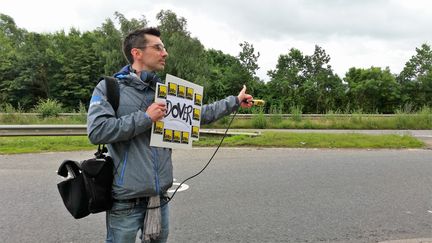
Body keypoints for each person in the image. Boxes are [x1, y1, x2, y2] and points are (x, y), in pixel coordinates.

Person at [87, 27, 253, 243]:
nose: (165, 53)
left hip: (159, 198)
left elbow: (199, 115)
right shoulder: (109, 88)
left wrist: (234, 101)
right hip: (126, 201)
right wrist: (146, 118)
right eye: (158, 47)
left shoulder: (165, 90)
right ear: (137, 53)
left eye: (164, 48)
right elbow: (97, 130)